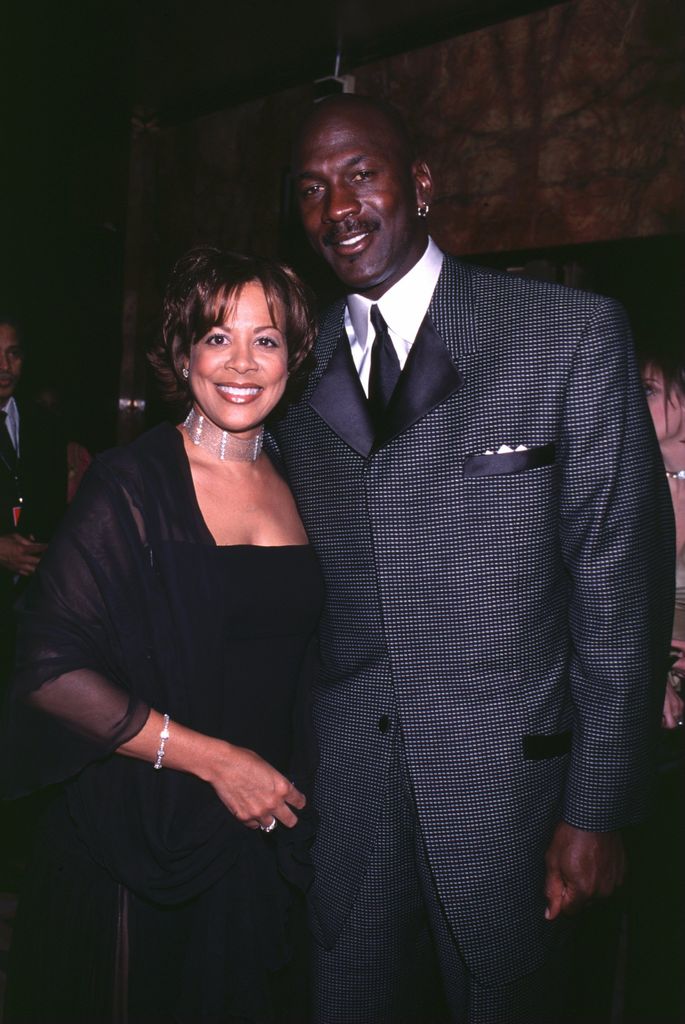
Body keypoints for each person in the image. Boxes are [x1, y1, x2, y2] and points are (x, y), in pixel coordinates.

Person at [268, 94, 675, 1022]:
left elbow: (620, 579)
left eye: (360, 174)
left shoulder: (564, 336)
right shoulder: (294, 373)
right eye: (311, 188)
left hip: (516, 800)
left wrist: (598, 808)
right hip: (349, 797)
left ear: (419, 184)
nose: (338, 206)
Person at [1, 248, 321, 1023]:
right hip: (139, 838)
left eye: (266, 339)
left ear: (294, 357)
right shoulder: (133, 482)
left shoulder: (304, 479)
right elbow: (47, 671)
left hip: (255, 839)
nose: (241, 362)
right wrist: (218, 762)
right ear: (182, 353)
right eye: (217, 337)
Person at [0, 316, 67, 685]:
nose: (4, 367)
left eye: (13, 354)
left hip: (29, 611)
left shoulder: (44, 423)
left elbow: (55, 512)